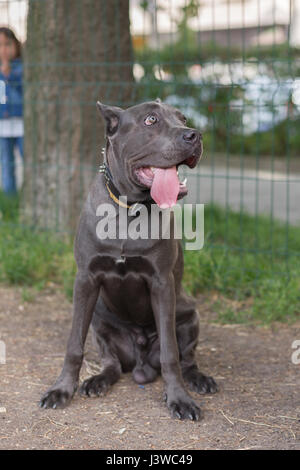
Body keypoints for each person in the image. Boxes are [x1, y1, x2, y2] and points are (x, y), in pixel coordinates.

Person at [0, 27, 23, 195]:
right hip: (3, 126)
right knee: (7, 164)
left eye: (7, 44)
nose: (3, 50)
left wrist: (10, 75)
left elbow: (22, 92)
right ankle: (10, 199)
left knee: (26, 158)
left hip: (21, 124)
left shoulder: (21, 69)